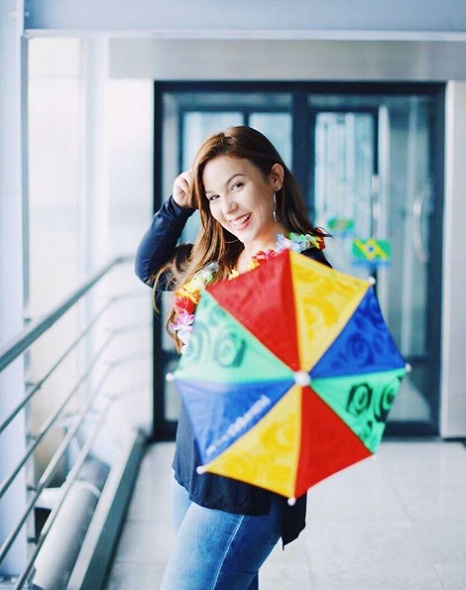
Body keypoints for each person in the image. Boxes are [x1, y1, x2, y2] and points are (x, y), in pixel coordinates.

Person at [135, 126, 331, 590]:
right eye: (214, 196)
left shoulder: (304, 270)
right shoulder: (219, 263)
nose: (227, 207)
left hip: (247, 480)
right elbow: (149, 267)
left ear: (274, 178)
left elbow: (315, 383)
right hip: (193, 462)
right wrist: (178, 205)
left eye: (238, 185)